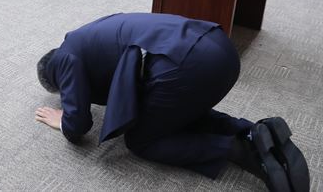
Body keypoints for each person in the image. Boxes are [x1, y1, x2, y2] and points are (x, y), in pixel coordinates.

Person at [36, 12, 310, 192]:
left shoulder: (65, 58)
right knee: (172, 112)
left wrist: (62, 120)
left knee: (142, 140)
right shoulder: (92, 33)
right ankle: (254, 131)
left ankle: (239, 149)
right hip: (219, 47)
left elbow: (78, 124)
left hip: (186, 65)